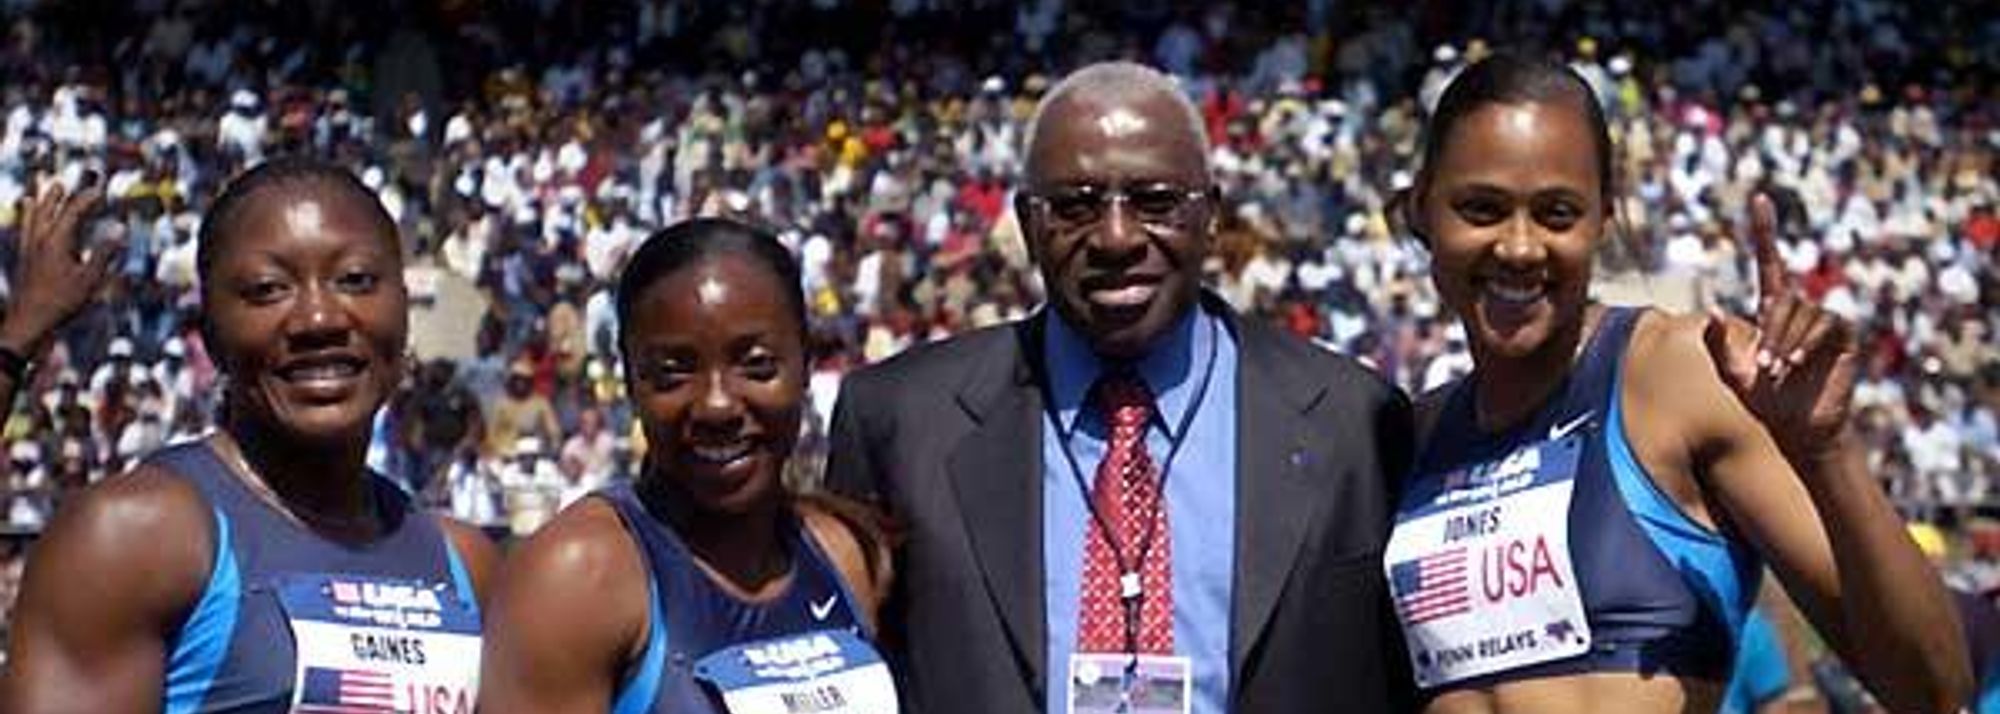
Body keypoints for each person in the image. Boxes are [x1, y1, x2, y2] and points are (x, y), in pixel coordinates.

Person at [1384, 53, 1968, 713]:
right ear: (1423, 208)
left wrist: (1829, 452)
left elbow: (1933, 692)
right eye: (1482, 208)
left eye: (1558, 214)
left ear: (1604, 219)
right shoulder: (1410, 439)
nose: (1520, 247)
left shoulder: (1680, 375)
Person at [825, 61, 1415, 714]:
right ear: (1027, 225)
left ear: (1211, 216)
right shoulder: (900, 423)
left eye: (1155, 202)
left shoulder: (1355, 422)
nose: (1116, 237)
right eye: (1075, 206)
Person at [1, 157, 500, 712]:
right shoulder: (137, 537)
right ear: (210, 335)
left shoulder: (467, 567)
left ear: (404, 308)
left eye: (356, 280)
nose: (319, 319)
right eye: (268, 289)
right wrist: (13, 348)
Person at [480, 218, 896, 713]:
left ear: (805, 364)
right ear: (631, 383)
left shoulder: (846, 557)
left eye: (757, 365)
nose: (717, 405)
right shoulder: (579, 578)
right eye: (673, 373)